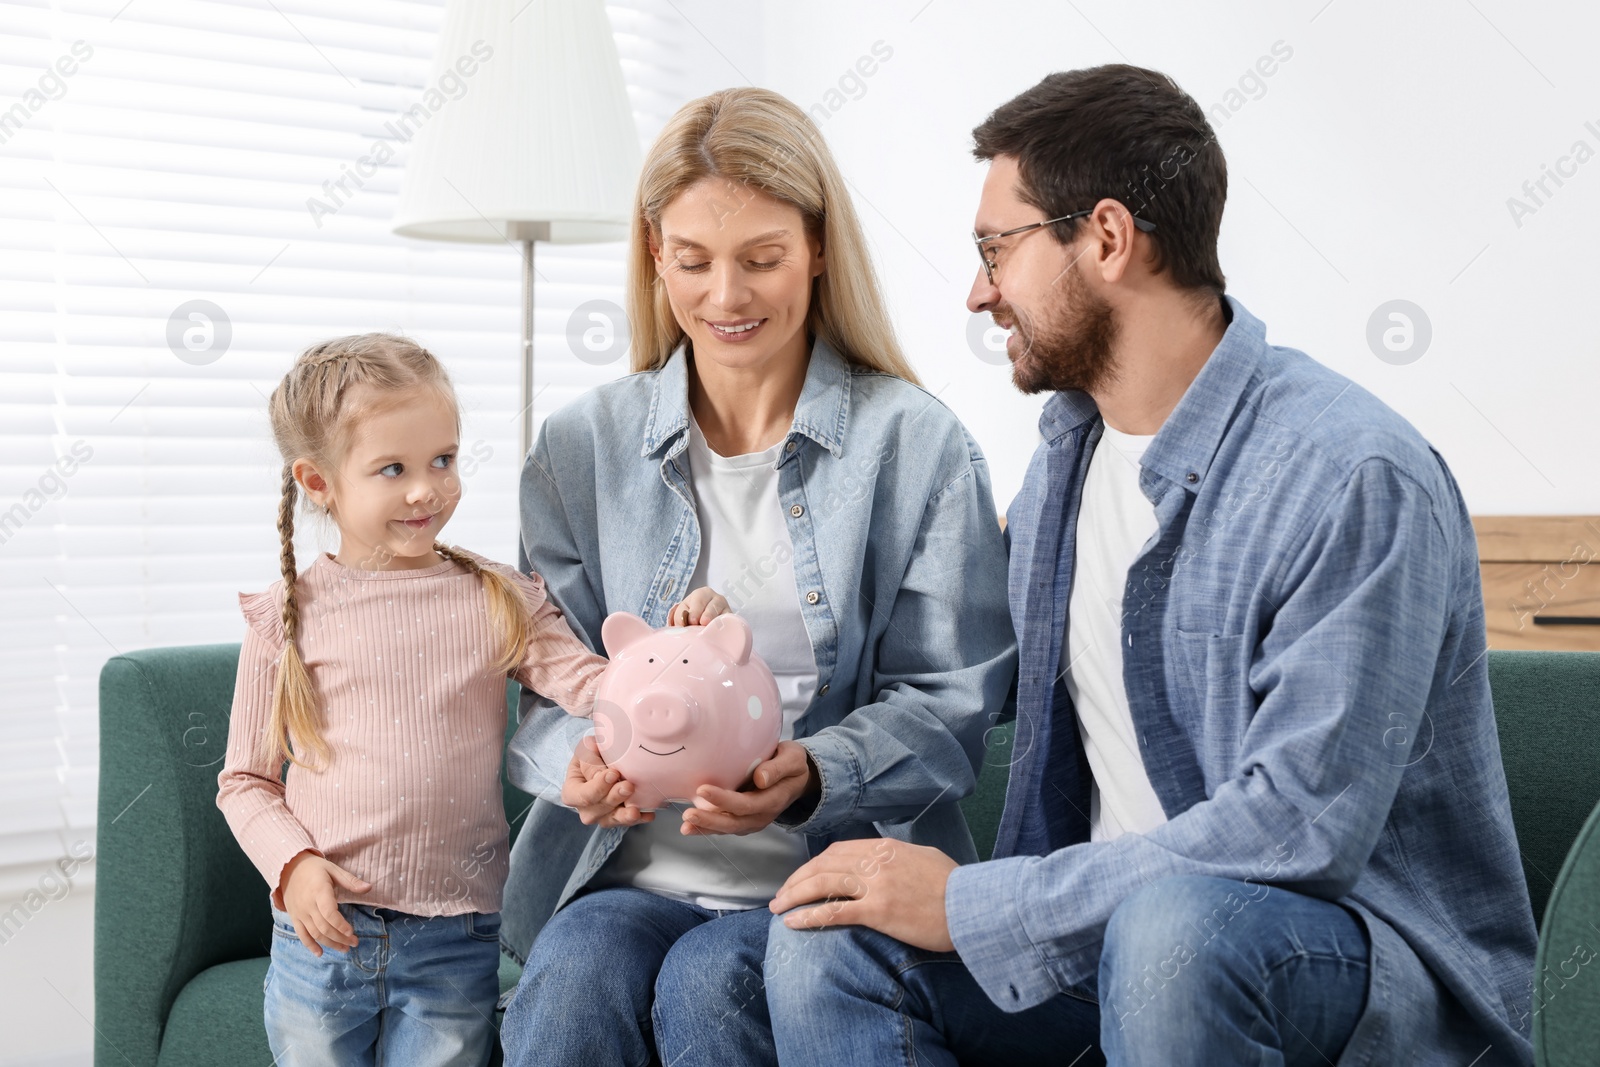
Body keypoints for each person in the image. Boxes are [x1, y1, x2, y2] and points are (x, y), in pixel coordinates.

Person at [763, 64, 1537, 1065]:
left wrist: (970, 897)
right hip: (1104, 953)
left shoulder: (1351, 473)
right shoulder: (1061, 466)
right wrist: (781, 727)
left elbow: (1297, 828)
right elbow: (953, 677)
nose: (978, 289)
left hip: (1344, 964)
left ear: (1109, 240)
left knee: (1171, 933)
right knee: (827, 947)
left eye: (997, 248)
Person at [497, 87, 1016, 1067]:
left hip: (831, 877)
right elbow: (544, 675)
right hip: (623, 878)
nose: (726, 296)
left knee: (711, 983)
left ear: (818, 247)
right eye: (692, 260)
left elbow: (952, 701)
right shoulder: (578, 451)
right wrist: (576, 761)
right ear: (655, 253)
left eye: (761, 259)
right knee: (568, 978)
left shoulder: (916, 446)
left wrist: (814, 773)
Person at [216, 333, 706, 1066]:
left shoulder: (495, 597)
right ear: (319, 483)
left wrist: (675, 660)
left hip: (457, 933)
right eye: (394, 469)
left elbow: (590, 680)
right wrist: (293, 865)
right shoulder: (287, 615)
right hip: (326, 932)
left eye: (442, 459)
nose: (427, 489)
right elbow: (245, 782)